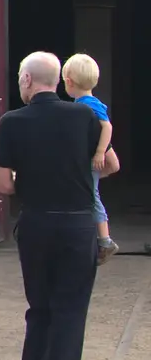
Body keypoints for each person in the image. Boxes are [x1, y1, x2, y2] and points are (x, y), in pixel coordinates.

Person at [0, 52, 103, 360]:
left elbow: (3, 185)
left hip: (37, 223)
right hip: (77, 224)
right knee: (70, 309)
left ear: (26, 80)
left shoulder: (12, 122)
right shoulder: (85, 116)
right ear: (58, 81)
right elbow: (110, 163)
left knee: (39, 304)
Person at [61, 53, 120, 264]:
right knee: (88, 191)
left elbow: (107, 126)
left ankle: (105, 240)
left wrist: (99, 152)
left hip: (91, 159)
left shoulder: (88, 105)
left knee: (93, 197)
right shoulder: (84, 103)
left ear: (68, 82)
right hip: (87, 162)